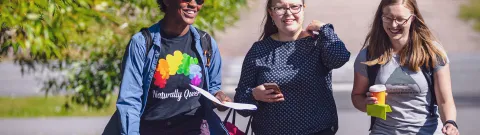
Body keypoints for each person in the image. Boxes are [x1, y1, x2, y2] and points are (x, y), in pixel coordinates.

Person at [112, 0, 231, 134]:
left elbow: (213, 89)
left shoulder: (206, 43)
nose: (193, 4)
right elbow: (130, 100)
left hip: (194, 129)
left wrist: (218, 98)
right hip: (152, 129)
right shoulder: (142, 43)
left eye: (199, 0)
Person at [234, 0, 350, 134]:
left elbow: (340, 58)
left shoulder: (318, 43)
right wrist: (254, 95)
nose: (288, 13)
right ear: (271, 13)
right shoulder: (259, 50)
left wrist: (325, 28)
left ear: (303, 9)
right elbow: (240, 104)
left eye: (295, 7)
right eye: (280, 8)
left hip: (318, 130)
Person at [351, 0, 459, 135]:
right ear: (381, 17)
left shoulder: (432, 52)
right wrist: (367, 104)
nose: (393, 24)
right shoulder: (368, 55)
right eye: (388, 18)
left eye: (400, 19)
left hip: (427, 131)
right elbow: (357, 96)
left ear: (412, 18)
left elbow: (445, 100)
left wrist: (450, 123)